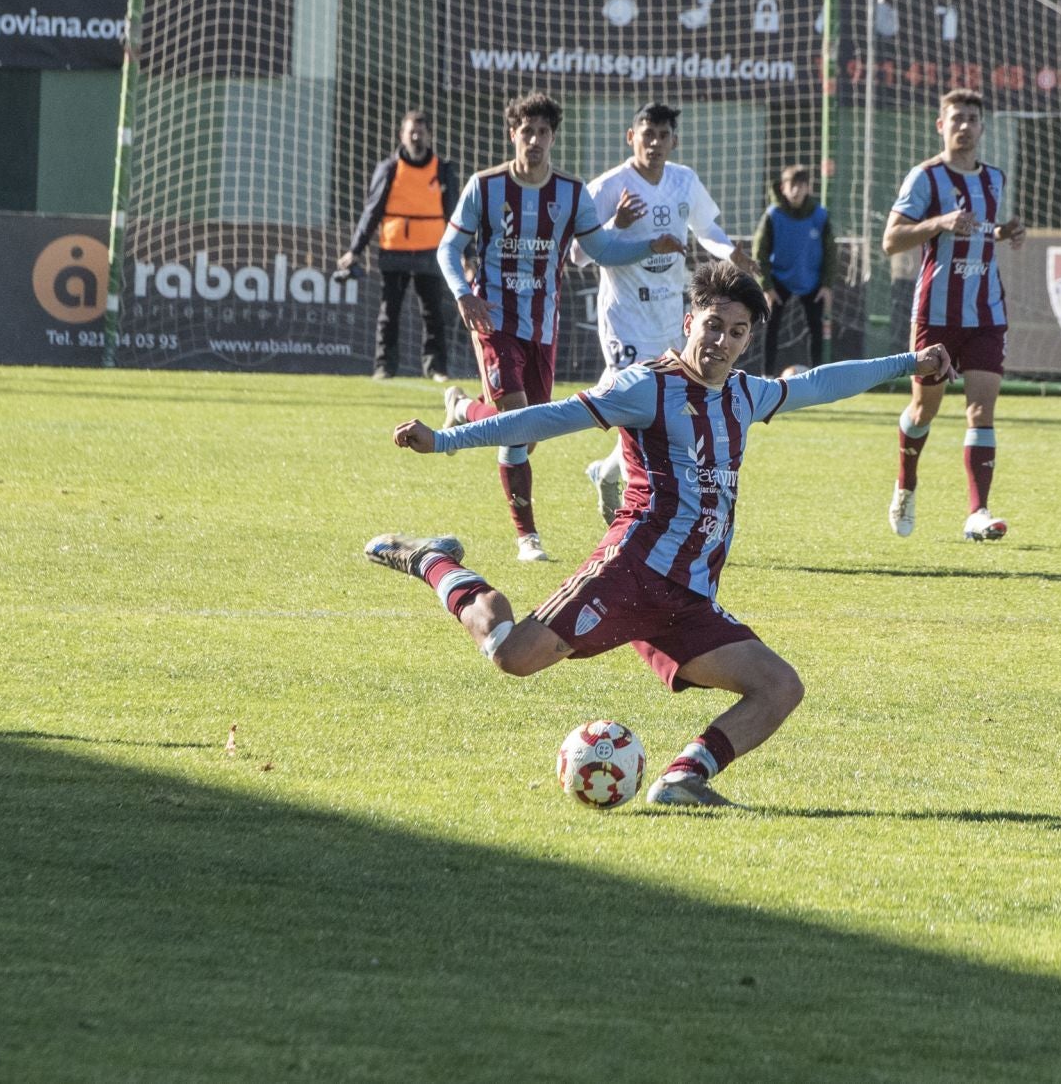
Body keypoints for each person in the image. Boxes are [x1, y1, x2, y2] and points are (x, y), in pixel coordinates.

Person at [366, 263, 955, 807]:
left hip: (689, 595)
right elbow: (548, 417)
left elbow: (824, 383)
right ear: (688, 322)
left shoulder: (747, 395)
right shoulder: (645, 387)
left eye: (737, 332)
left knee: (779, 687)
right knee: (511, 656)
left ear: (748, 340)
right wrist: (444, 440)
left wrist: (910, 363)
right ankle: (434, 562)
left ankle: (684, 777)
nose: (721, 341)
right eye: (713, 325)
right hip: (631, 572)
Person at [436, 91, 667, 563]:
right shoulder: (485, 187)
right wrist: (463, 292)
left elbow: (599, 251)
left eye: (543, 132)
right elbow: (447, 249)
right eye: (527, 132)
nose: (535, 140)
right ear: (513, 135)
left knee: (529, 431)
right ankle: (528, 538)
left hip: (543, 327)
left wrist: (647, 245)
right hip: (494, 319)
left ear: (553, 137)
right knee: (519, 426)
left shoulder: (571, 193)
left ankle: (462, 408)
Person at [576, 102, 755, 525]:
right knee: (630, 398)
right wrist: (617, 224)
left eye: (662, 136)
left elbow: (707, 230)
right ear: (631, 136)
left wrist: (731, 253)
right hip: (625, 315)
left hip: (671, 314)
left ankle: (605, 473)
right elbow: (579, 253)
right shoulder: (608, 187)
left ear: (674, 140)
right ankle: (641, 500)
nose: (654, 143)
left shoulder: (683, 181)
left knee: (665, 404)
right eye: (647, 134)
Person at [883, 89, 1026, 541]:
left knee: (981, 412)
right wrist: (940, 222)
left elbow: (980, 231)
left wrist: (1003, 232)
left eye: (972, 119)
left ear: (982, 128)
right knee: (925, 409)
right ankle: (906, 484)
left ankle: (977, 514)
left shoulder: (994, 179)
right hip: (936, 313)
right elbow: (892, 239)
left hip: (986, 311)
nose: (965, 126)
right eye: (956, 118)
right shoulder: (925, 177)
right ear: (940, 125)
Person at [338, 110, 461, 381]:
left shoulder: (442, 169)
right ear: (401, 135)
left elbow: (455, 214)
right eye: (411, 131)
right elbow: (372, 212)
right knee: (389, 312)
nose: (416, 136)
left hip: (431, 250)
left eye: (420, 131)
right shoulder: (390, 169)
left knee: (433, 313)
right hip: (395, 249)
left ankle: (436, 367)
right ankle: (384, 366)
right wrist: (354, 250)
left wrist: (466, 252)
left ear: (429, 135)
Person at [753, 164, 833, 373]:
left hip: (812, 279)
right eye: (792, 186)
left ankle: (818, 378)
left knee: (815, 328)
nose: (796, 191)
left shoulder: (820, 215)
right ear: (783, 188)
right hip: (779, 279)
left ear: (808, 188)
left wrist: (826, 284)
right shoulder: (773, 215)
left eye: (801, 185)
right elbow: (759, 252)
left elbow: (831, 251)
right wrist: (767, 286)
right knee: (771, 327)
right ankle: (767, 376)